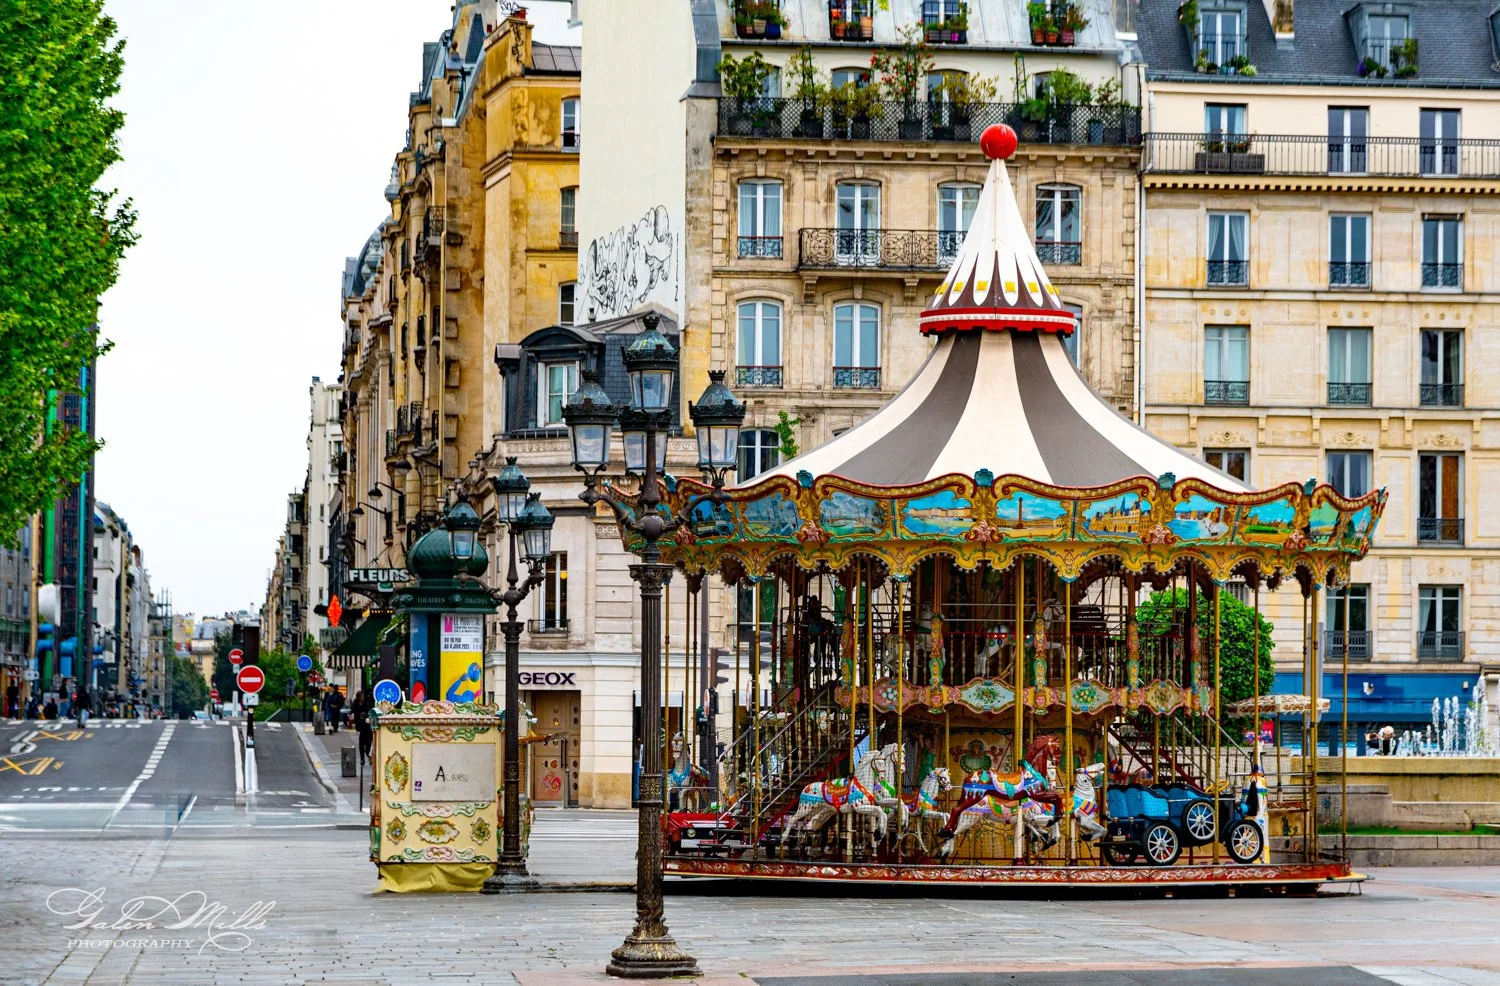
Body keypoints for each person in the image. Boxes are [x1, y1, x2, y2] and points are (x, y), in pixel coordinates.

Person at [352, 690, 373, 764]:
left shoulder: (366, 703)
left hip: (367, 725)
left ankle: (369, 757)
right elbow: (353, 710)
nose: (362, 697)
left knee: (368, 744)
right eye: (361, 696)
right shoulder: (355, 703)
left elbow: (369, 711)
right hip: (360, 725)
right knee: (361, 744)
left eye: (362, 696)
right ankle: (362, 759)